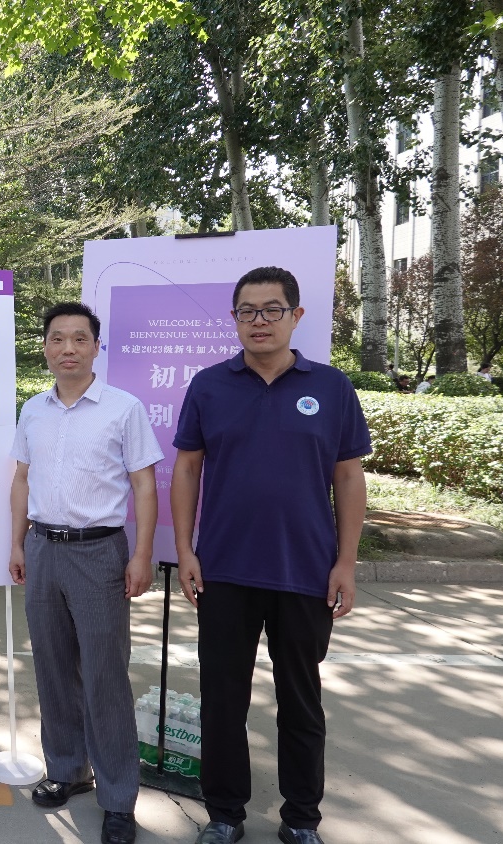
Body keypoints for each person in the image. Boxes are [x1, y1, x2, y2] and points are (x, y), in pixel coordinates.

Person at [170, 267, 370, 844]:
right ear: (234, 319)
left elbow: (348, 477)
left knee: (301, 701)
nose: (259, 321)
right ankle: (224, 814)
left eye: (272, 309)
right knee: (223, 700)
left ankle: (301, 819)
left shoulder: (331, 387)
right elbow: (187, 468)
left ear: (295, 315)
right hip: (224, 569)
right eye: (247, 311)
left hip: (305, 570)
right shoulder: (210, 385)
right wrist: (185, 550)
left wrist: (346, 562)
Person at [9, 302, 162, 844]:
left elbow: (144, 485)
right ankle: (67, 769)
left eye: (79, 338)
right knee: (52, 668)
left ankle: (118, 797)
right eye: (57, 338)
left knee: (104, 677)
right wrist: (18, 543)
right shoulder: (34, 409)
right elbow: (22, 479)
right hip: (42, 548)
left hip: (99, 553)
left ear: (97, 347)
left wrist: (141, 555)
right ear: (45, 347)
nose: (67, 348)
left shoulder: (123, 408)